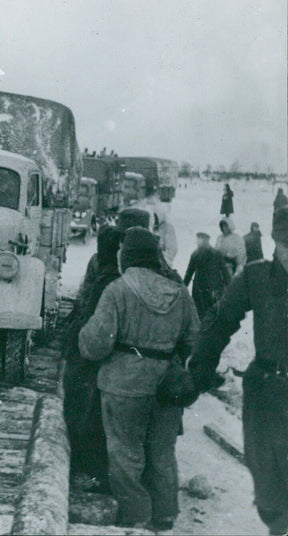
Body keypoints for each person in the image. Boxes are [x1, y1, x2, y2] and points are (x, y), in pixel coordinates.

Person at [79, 227, 200, 530]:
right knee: (162, 451)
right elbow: (194, 340)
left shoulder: (118, 290)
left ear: (128, 257)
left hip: (123, 385)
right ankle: (165, 514)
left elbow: (96, 344)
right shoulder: (180, 292)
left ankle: (135, 516)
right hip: (166, 387)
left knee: (124, 452)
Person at [189, 207, 288, 536]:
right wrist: (202, 362)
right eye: (287, 245)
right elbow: (221, 319)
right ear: (276, 243)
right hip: (267, 394)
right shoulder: (256, 276)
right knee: (269, 489)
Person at [63, 225, 124, 492]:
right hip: (103, 360)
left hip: (94, 361)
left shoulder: (109, 280)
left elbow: (92, 321)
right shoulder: (113, 276)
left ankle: (85, 469)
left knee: (85, 414)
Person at [183, 232, 231, 319]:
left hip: (214, 293)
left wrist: (230, 289)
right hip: (199, 293)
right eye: (198, 238)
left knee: (214, 318)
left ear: (207, 240)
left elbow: (225, 273)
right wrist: (182, 288)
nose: (199, 241)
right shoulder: (195, 255)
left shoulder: (216, 254)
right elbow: (189, 274)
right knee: (200, 318)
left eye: (201, 238)